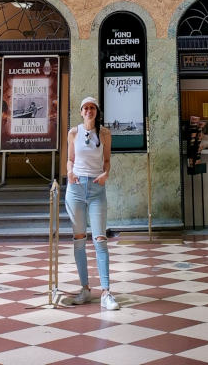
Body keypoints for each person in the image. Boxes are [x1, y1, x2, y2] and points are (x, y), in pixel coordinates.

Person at [63, 95, 119, 310]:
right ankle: (85, 289)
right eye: (85, 108)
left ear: (97, 111)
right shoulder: (73, 132)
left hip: (96, 188)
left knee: (100, 238)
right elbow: (70, 159)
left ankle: (106, 292)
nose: (89, 111)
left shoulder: (104, 133)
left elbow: (106, 160)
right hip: (76, 189)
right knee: (79, 239)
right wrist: (69, 172)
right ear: (81, 112)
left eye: (92, 108)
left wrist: (105, 174)